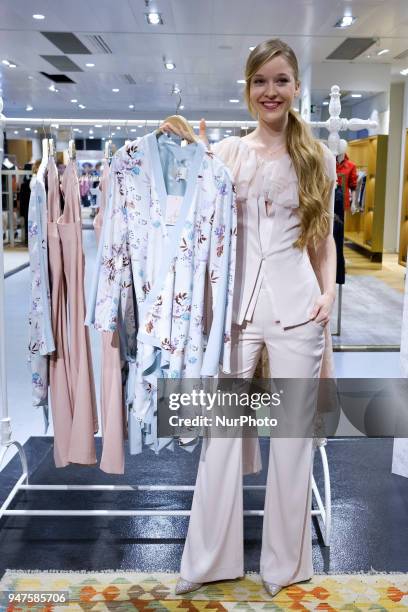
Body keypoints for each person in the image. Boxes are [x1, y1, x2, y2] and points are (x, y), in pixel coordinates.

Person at [161, 38, 337, 598]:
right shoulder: (228, 154)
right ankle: (208, 560)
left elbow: (323, 237)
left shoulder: (319, 157)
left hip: (298, 308)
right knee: (220, 439)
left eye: (281, 80)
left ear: (295, 87)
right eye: (261, 81)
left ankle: (284, 566)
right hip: (234, 314)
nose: (271, 91)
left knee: (291, 443)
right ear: (248, 88)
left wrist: (329, 294)